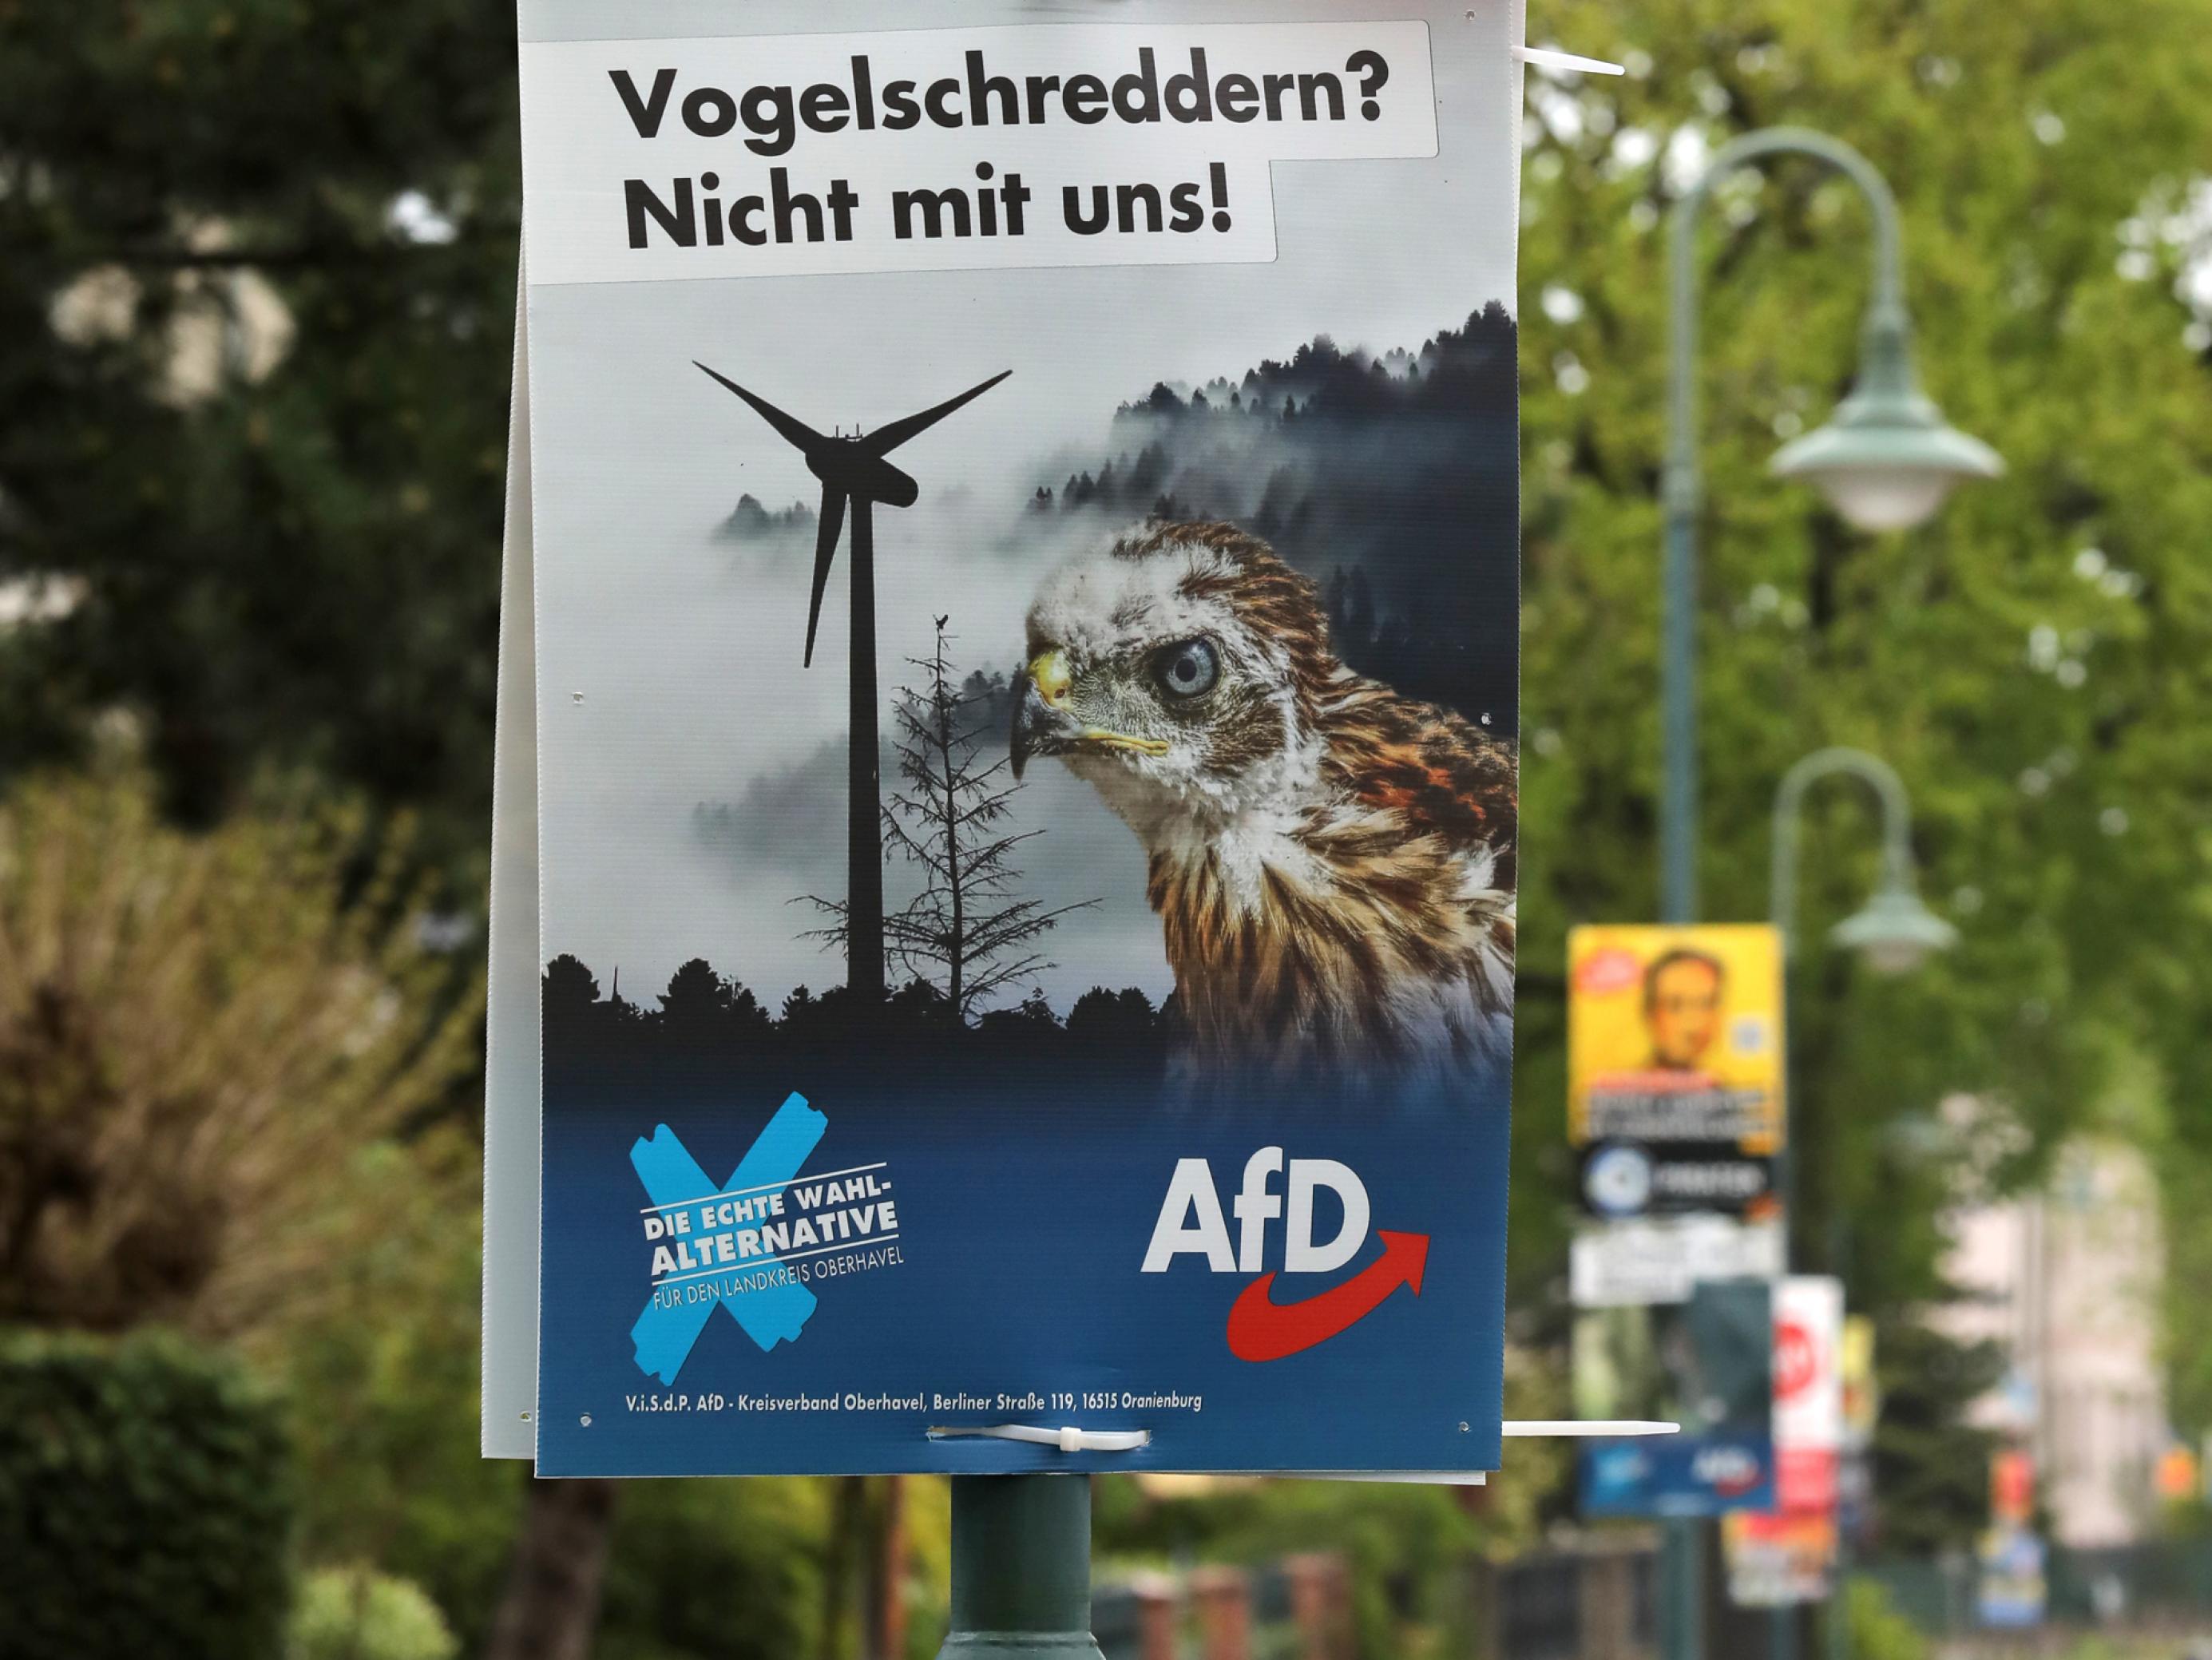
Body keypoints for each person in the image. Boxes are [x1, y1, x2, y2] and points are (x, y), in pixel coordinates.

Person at [1642, 947, 1724, 1073]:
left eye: (1706, 1004)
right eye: (1676, 1006)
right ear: (1650, 1013)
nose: (1693, 1025)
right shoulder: (1627, 1083)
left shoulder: (1719, 1082)